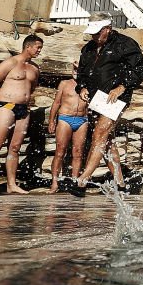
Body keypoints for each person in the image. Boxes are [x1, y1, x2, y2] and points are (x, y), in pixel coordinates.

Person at [68, 13, 143, 197]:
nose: (94, 37)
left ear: (107, 29)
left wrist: (122, 86)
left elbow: (139, 70)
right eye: (92, 33)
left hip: (115, 98)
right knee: (106, 141)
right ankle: (120, 184)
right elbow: (82, 72)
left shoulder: (125, 44)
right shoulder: (89, 48)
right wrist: (82, 87)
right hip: (95, 99)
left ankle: (82, 182)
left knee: (99, 135)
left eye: (97, 33)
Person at [0, 34, 43, 194]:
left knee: (14, 148)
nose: (39, 50)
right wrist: (2, 96)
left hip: (23, 110)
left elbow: (32, 87)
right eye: (38, 47)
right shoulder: (11, 62)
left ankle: (11, 184)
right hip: (6, 106)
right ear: (28, 46)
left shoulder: (34, 68)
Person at [47, 63, 89, 193]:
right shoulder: (64, 84)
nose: (76, 71)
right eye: (74, 69)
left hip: (82, 120)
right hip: (65, 118)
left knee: (78, 153)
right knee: (60, 151)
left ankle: (74, 182)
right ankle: (54, 182)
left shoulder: (88, 84)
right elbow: (57, 102)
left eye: (79, 69)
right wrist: (51, 121)